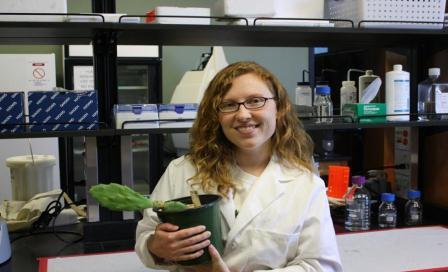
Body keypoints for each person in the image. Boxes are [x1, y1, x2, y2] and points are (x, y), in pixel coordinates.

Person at [135, 61, 342, 271]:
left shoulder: (305, 185)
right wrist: (156, 246)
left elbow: (321, 266)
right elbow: (147, 234)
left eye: (255, 101)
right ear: (216, 115)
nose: (243, 115)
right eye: (229, 104)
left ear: (278, 108)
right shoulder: (182, 171)